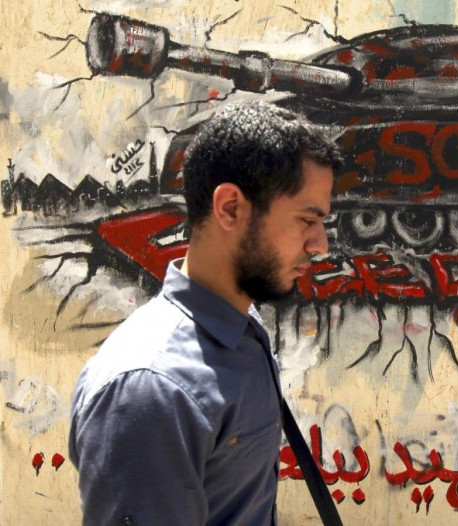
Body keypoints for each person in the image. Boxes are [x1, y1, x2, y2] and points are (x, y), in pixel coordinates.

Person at [69, 101, 342, 525]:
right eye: (307, 219)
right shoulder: (151, 387)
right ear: (230, 208)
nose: (320, 245)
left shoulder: (240, 331)